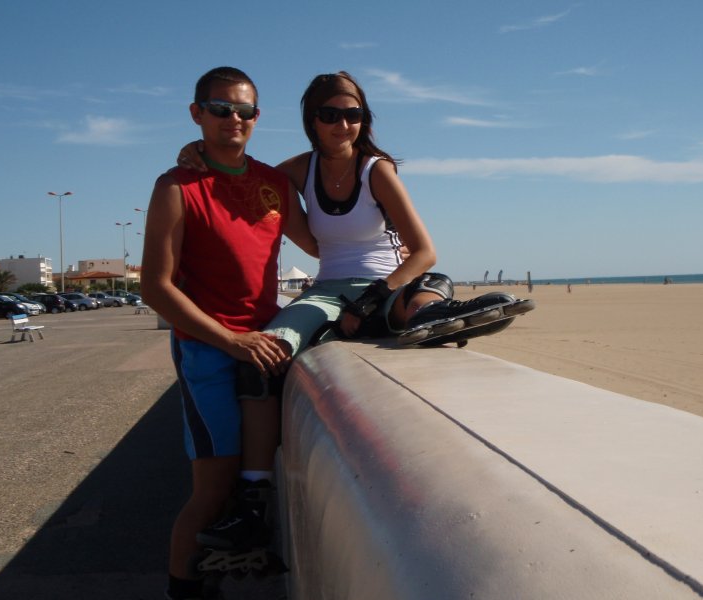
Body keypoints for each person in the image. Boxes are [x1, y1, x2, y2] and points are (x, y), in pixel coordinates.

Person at [177, 71, 531, 363]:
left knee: (423, 294)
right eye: (330, 115)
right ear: (312, 120)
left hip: (385, 286)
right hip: (326, 292)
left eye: (353, 115)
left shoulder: (376, 171)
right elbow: (242, 172)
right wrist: (199, 150)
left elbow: (424, 252)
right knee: (273, 349)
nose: (343, 124)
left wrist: (368, 301)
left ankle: (439, 316)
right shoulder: (295, 171)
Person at [141, 66, 317, 600]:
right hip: (208, 353)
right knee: (213, 491)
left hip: (263, 346)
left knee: (250, 487)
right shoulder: (176, 186)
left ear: (258, 118)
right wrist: (230, 340)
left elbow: (320, 245)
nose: (234, 119)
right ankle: (182, 591)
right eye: (221, 109)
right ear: (197, 114)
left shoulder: (274, 183)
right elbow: (155, 287)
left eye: (245, 111)